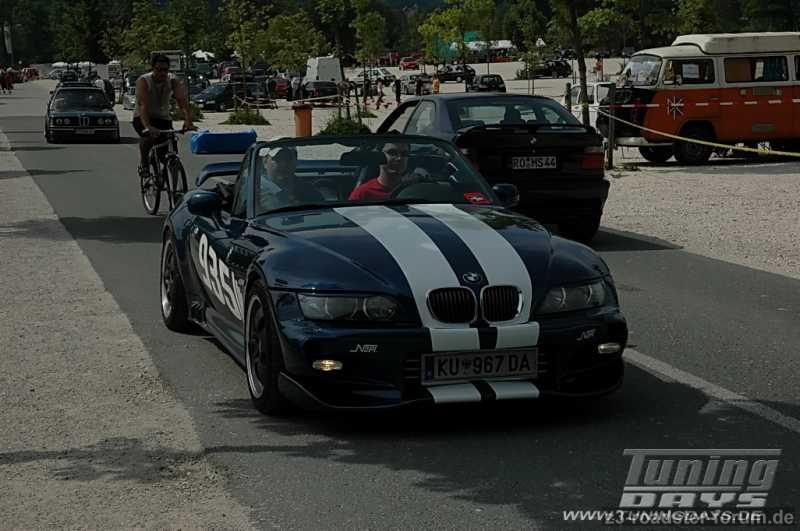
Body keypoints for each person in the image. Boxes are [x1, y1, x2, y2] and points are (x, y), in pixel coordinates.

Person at [133, 54, 193, 179]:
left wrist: (188, 120)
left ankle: (174, 185)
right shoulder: (144, 81)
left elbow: (182, 100)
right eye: (159, 70)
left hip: (163, 118)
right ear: (152, 68)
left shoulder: (172, 80)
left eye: (165, 70)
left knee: (170, 150)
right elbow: (143, 105)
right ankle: (144, 163)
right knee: (148, 136)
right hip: (143, 117)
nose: (162, 73)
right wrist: (148, 126)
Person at [259, 145, 324, 211]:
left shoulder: (309, 192)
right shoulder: (257, 191)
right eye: (278, 159)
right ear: (265, 162)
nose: (283, 164)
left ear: (295, 162)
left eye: (288, 159)